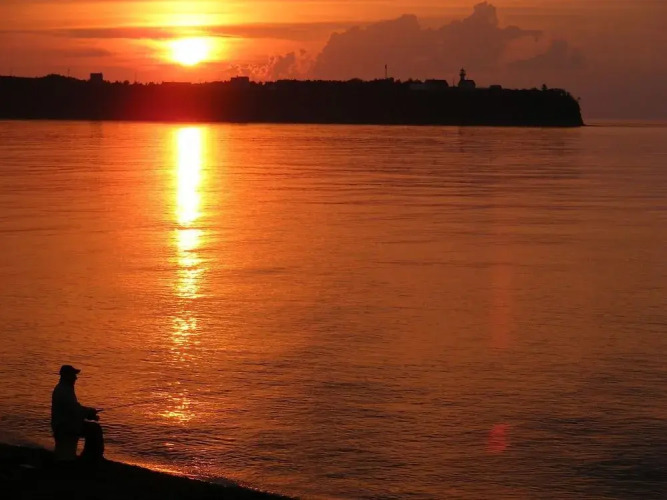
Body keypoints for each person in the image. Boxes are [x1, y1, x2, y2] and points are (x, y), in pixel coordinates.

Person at [51, 365, 104, 462]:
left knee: (93, 428)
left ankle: (89, 455)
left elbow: (74, 410)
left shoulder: (64, 388)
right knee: (94, 429)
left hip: (64, 424)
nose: (76, 378)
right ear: (66, 376)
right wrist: (89, 412)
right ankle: (92, 457)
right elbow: (75, 410)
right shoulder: (64, 390)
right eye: (73, 375)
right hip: (65, 426)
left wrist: (88, 414)